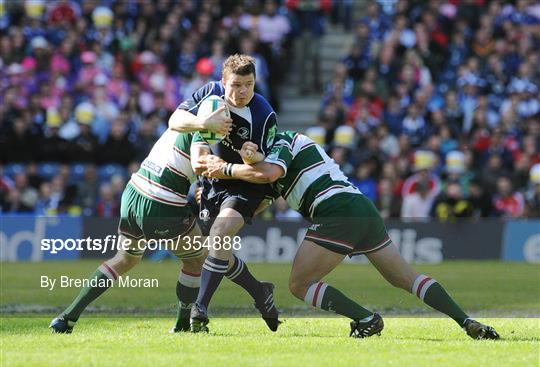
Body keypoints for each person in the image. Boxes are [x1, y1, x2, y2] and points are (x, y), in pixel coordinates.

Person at [198, 131, 500, 340]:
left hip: (336, 210)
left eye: (247, 145)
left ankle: (366, 319)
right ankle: (467, 321)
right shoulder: (271, 157)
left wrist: (224, 168)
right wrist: (219, 198)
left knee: (299, 284)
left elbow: (270, 175)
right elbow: (259, 197)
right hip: (360, 209)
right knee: (405, 278)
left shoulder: (282, 141)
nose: (246, 149)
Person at [49, 129, 220, 334]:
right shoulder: (209, 131)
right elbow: (203, 174)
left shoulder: (181, 116)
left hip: (133, 191)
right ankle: (182, 325)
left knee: (124, 259)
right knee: (196, 260)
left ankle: (67, 317)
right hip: (161, 201)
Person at [168, 54, 280, 332]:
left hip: (247, 185)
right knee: (216, 252)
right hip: (212, 183)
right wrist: (204, 124)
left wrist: (253, 156)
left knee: (219, 235)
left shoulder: (264, 113)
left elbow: (267, 165)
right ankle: (260, 292)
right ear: (223, 82)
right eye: (236, 85)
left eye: (249, 84)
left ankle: (200, 308)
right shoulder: (210, 94)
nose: (242, 91)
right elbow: (175, 120)